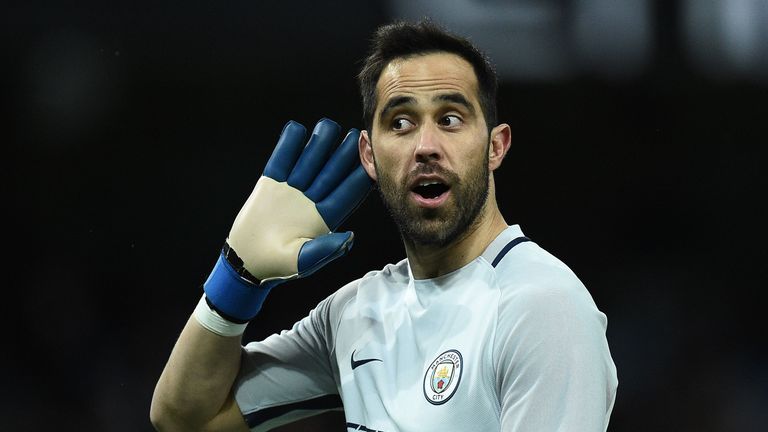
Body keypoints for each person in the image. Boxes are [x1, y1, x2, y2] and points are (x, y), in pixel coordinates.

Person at [150, 20, 618, 432]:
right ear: (369, 156)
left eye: (450, 119)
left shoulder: (542, 308)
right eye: (401, 123)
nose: (426, 145)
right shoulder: (357, 314)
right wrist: (236, 278)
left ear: (496, 147)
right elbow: (184, 416)